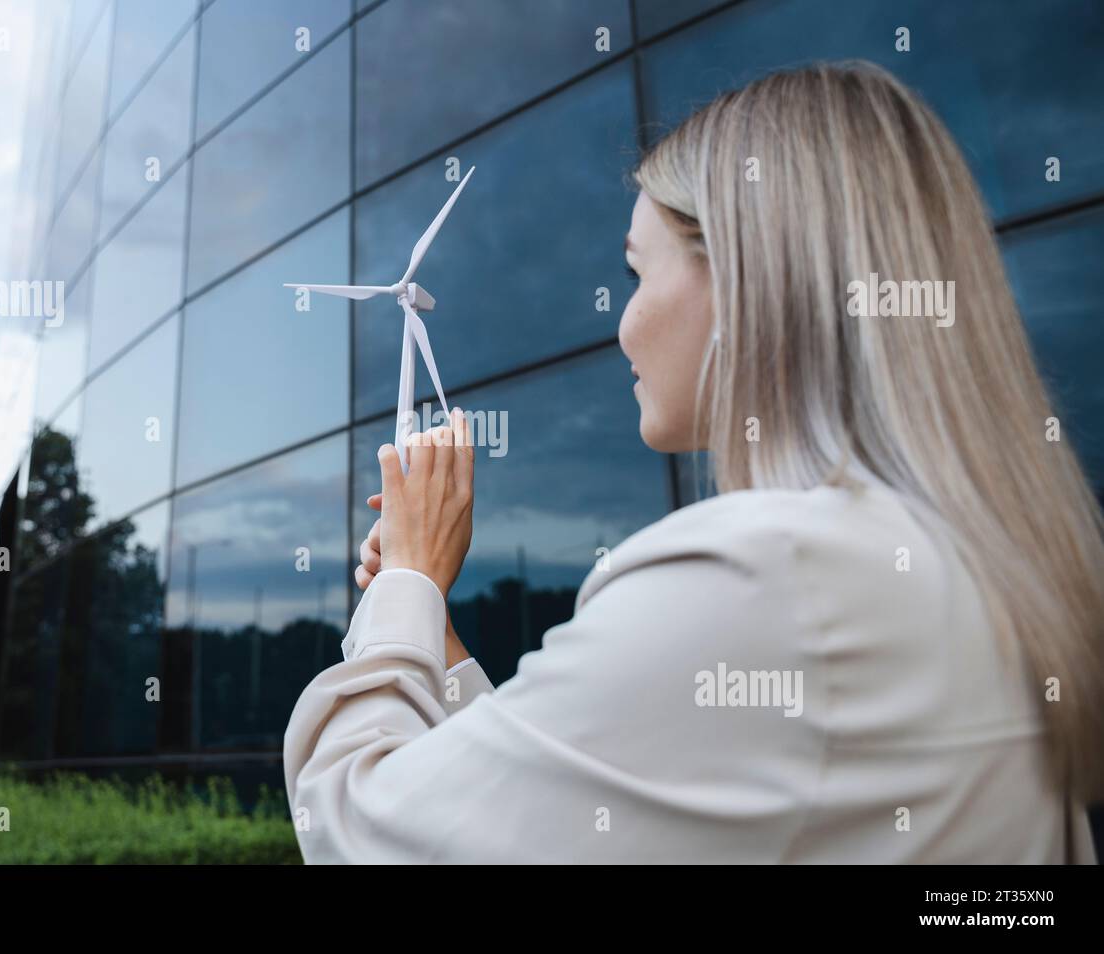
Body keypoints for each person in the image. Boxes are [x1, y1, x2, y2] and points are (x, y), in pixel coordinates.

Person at [282, 61, 1104, 863]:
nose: (623, 324)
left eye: (636, 273)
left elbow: (361, 827)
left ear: (747, 277)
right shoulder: (963, 570)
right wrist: (440, 645)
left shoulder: (765, 578)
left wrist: (406, 588)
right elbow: (576, 815)